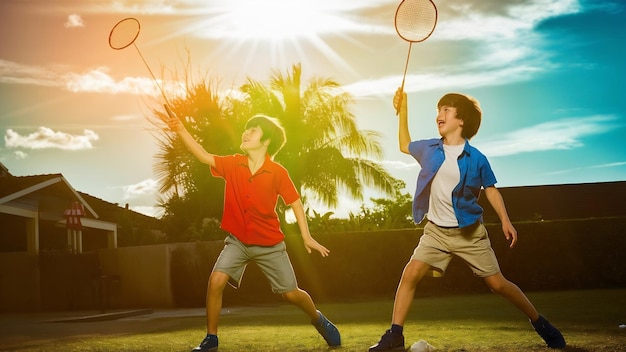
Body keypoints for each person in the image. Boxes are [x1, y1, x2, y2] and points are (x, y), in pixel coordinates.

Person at [369, 89, 566, 351]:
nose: (439, 114)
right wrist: (403, 109)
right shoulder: (429, 149)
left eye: (446, 110)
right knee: (411, 273)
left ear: (461, 120)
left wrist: (506, 220)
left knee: (498, 285)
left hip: (469, 233)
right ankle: (395, 335)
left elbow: (491, 190)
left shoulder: (477, 159)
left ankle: (540, 322)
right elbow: (404, 144)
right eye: (438, 110)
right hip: (436, 232)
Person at [165, 107, 341, 352]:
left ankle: (319, 319)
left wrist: (307, 236)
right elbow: (204, 156)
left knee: (291, 294)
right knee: (216, 281)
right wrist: (181, 128)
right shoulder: (233, 164)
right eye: (246, 129)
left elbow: (296, 203)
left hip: (270, 245)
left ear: (266, 140)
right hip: (237, 241)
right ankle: (211, 339)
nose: (246, 133)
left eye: (253, 130)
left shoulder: (278, 172)